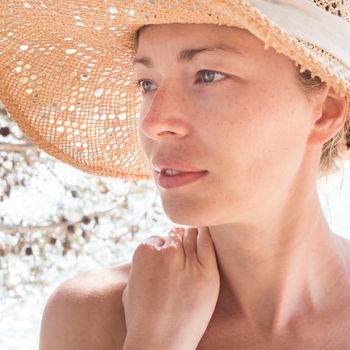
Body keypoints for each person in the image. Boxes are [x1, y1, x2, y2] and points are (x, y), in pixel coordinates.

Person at [0, 1, 350, 349]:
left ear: (326, 111)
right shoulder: (92, 315)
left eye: (208, 75)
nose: (153, 123)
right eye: (147, 84)